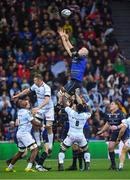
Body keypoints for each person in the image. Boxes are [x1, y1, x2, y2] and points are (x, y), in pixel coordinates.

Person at [12, 73, 54, 151]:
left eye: (35, 80)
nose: (34, 82)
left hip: (48, 109)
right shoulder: (35, 86)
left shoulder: (46, 88)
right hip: (40, 108)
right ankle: (38, 143)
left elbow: (47, 100)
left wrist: (38, 108)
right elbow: (27, 91)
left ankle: (51, 145)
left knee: (49, 126)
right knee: (35, 126)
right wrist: (17, 96)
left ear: (40, 80)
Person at [5, 99, 42, 172]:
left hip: (19, 133)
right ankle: (29, 167)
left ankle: (10, 167)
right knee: (35, 149)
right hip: (25, 133)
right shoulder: (27, 112)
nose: (28, 103)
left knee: (20, 152)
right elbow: (34, 123)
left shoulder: (19, 111)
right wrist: (43, 125)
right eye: (27, 103)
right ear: (24, 105)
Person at [58, 93, 91, 171]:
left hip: (71, 135)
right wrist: (86, 105)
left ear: (76, 108)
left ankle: (61, 164)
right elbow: (90, 112)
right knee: (86, 150)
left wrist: (62, 96)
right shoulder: (84, 115)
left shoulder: (71, 112)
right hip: (80, 135)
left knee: (62, 150)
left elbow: (65, 105)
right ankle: (87, 165)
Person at [97, 101, 128, 170]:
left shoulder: (121, 113)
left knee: (128, 147)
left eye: (112, 104)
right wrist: (101, 131)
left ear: (116, 106)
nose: (110, 105)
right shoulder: (108, 114)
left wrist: (117, 127)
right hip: (115, 132)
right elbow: (108, 123)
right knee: (110, 147)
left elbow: (124, 124)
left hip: (123, 131)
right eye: (110, 104)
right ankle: (113, 165)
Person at [58, 28, 88, 97]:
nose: (81, 49)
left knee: (63, 96)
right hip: (72, 80)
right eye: (81, 49)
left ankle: (61, 107)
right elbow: (67, 49)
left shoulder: (83, 58)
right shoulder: (75, 56)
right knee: (60, 94)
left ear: (85, 54)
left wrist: (67, 40)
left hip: (76, 81)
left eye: (83, 50)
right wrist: (63, 38)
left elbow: (73, 50)